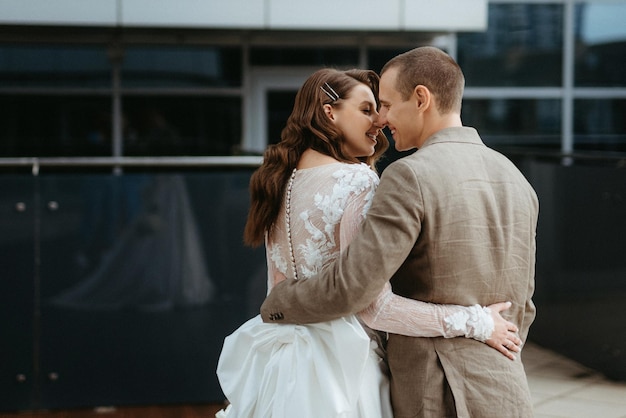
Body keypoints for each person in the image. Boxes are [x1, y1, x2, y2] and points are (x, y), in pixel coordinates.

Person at [216, 67, 522, 418]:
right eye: (366, 109)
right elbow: (375, 307)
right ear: (329, 112)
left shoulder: (280, 182)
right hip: (346, 369)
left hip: (283, 363)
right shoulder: (357, 182)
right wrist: (475, 322)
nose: (378, 121)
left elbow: (279, 291)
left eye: (379, 109)